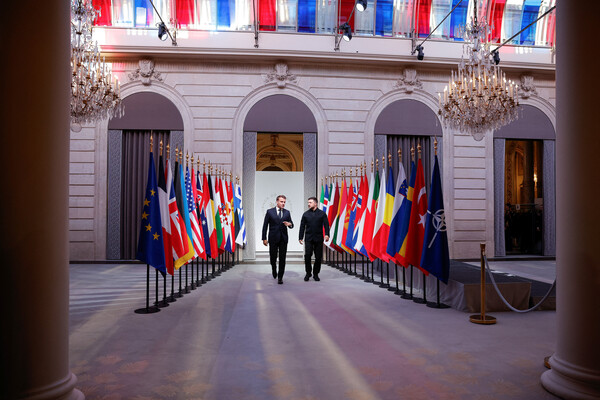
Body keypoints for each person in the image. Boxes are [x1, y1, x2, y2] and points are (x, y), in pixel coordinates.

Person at [262, 195, 294, 284]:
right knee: (273, 257)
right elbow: (265, 225)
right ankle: (274, 269)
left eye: (284, 202)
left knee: (282, 258)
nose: (283, 203)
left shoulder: (287, 212)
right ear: (277, 201)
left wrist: (290, 224)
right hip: (273, 238)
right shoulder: (269, 212)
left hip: (283, 239)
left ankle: (280, 277)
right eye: (281, 201)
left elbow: (291, 224)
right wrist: (264, 238)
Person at [299, 196, 330, 282]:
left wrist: (327, 234)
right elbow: (302, 226)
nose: (308, 204)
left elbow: (326, 225)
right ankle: (308, 273)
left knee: (318, 257)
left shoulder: (322, 214)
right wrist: (300, 237)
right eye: (308, 202)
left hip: (318, 238)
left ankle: (316, 273)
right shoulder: (305, 214)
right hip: (308, 238)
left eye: (310, 202)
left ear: (315, 203)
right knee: (307, 256)